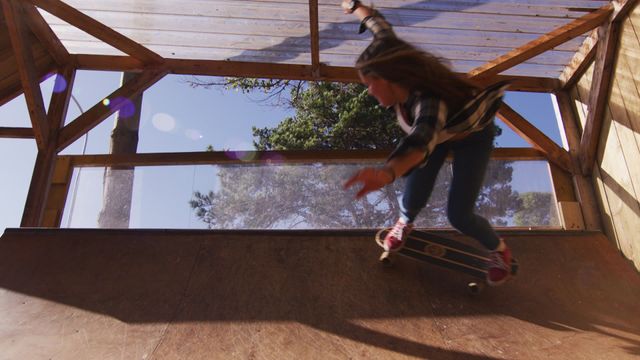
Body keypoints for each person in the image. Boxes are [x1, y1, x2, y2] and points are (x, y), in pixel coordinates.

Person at [341, 0, 513, 286]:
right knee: (414, 195)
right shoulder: (390, 54)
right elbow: (380, 27)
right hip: (437, 138)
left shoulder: (428, 102)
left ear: (391, 78)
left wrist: (386, 173)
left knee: (460, 215)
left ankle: (500, 251)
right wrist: (354, 5)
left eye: (370, 83)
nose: (368, 91)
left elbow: (422, 141)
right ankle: (405, 221)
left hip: (471, 139)